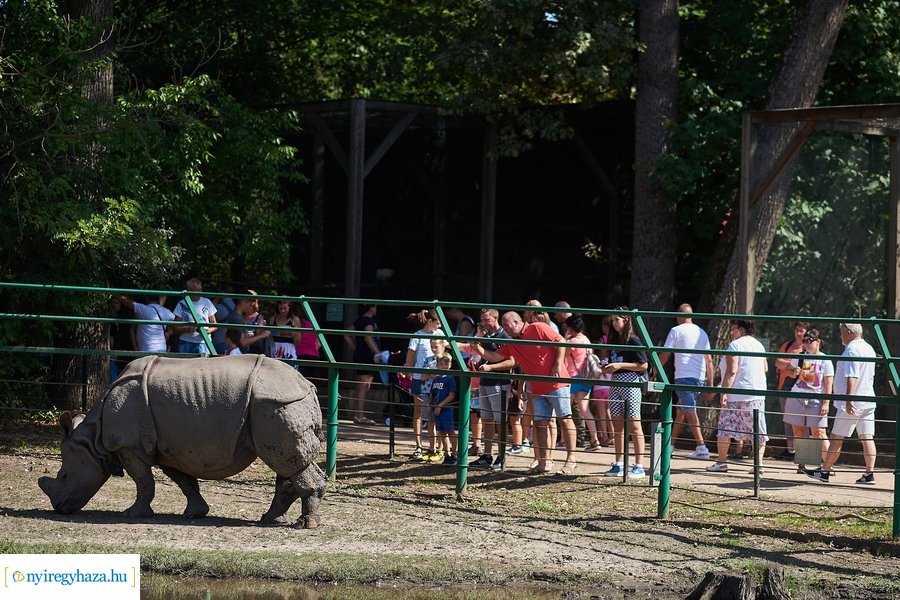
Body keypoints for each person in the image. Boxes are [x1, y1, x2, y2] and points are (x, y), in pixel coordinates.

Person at [477, 312, 575, 475]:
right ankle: (544, 462)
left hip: (557, 383)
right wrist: (477, 347)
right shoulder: (512, 342)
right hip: (537, 388)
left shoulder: (538, 327)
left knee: (565, 419)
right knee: (540, 424)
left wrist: (557, 364)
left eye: (507, 325)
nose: (505, 329)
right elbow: (494, 356)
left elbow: (560, 341)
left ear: (516, 322)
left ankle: (571, 460)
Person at [805, 323, 878, 484]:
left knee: (836, 437)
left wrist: (849, 400)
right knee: (867, 437)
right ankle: (869, 473)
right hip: (867, 400)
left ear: (849, 332)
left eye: (842, 332)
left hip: (852, 403)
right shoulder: (868, 348)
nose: (841, 336)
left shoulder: (851, 350)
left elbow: (852, 377)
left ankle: (824, 471)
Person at [706, 319, 768, 474]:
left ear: (741, 329)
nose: (731, 332)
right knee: (758, 430)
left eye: (733, 328)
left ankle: (721, 462)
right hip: (757, 394)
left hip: (736, 394)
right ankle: (758, 464)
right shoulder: (759, 345)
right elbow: (765, 368)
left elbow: (731, 371)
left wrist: (724, 392)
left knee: (725, 429)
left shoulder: (735, 345)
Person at [657, 304, 714, 459]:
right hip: (699, 378)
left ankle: (702, 447)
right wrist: (710, 385)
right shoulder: (702, 333)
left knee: (689, 410)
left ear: (680, 316)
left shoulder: (676, 330)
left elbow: (665, 354)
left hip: (683, 377)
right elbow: (709, 360)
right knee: (681, 412)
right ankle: (669, 446)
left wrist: (654, 371)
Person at [601, 307, 650, 479]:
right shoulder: (614, 340)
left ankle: (639, 466)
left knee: (635, 425)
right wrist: (606, 366)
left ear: (626, 320)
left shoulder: (633, 340)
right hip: (615, 383)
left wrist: (620, 365)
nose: (614, 323)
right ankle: (619, 463)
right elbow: (612, 362)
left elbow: (643, 365)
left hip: (630, 384)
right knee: (618, 427)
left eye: (617, 320)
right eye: (612, 320)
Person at [783, 328, 833, 472]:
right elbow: (788, 371)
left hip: (816, 399)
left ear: (818, 342)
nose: (806, 344)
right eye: (804, 341)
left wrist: (826, 403)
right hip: (797, 396)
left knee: (819, 432)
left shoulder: (825, 360)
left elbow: (828, 384)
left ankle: (828, 466)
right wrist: (794, 372)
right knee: (799, 430)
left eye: (809, 341)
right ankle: (803, 463)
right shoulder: (800, 357)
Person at [469, 308, 511, 471]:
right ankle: (487, 455)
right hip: (484, 383)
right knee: (486, 419)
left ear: (495, 318)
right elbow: (480, 355)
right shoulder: (486, 336)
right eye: (482, 320)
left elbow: (511, 361)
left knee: (500, 421)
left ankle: (502, 455)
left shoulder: (504, 337)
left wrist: (491, 367)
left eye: (487, 320)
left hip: (499, 383)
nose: (484, 323)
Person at [404, 309, 445, 460]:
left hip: (436, 379)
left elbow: (449, 348)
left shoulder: (439, 334)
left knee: (436, 413)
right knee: (419, 412)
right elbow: (410, 359)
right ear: (430, 321)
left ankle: (438, 447)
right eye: (438, 322)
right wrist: (409, 373)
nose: (439, 326)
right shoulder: (417, 336)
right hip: (420, 379)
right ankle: (419, 446)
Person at [773, 322, 809, 461]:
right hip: (785, 386)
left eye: (802, 331)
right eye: (797, 330)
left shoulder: (807, 348)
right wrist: (792, 365)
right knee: (788, 419)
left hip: (802, 388)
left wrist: (787, 365)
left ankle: (804, 452)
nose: (799, 333)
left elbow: (806, 368)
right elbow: (778, 363)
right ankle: (790, 449)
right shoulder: (787, 346)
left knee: (803, 420)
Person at [565, 314, 602, 451]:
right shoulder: (586, 340)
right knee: (585, 410)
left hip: (573, 377)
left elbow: (562, 354)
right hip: (586, 378)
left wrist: (565, 339)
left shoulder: (573, 342)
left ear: (570, 327)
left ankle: (565, 440)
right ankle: (594, 440)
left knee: (565, 411)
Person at [345, 304, 381, 425]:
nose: (376, 310)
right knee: (364, 385)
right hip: (368, 356)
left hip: (360, 354)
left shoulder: (359, 320)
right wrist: (378, 353)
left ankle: (358, 414)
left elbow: (346, 333)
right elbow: (368, 338)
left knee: (360, 385)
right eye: (375, 307)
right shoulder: (368, 321)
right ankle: (360, 415)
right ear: (371, 308)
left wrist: (355, 347)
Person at [172, 278, 218, 355]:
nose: (199, 292)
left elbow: (215, 325)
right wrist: (188, 329)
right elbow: (175, 327)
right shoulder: (181, 304)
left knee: (204, 363)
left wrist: (208, 331)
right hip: (186, 341)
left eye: (200, 289)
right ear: (189, 290)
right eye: (196, 290)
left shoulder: (207, 302)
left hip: (204, 342)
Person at [430, 354, 460, 466]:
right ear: (437, 365)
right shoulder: (435, 379)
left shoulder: (450, 378)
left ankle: (454, 454)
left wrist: (440, 406)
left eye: (446, 364)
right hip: (436, 410)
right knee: (441, 432)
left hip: (446, 409)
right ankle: (447, 454)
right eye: (441, 364)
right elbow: (432, 393)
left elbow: (451, 395)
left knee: (450, 431)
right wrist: (430, 404)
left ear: (450, 365)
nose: (444, 366)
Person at [269, 300, 301, 367]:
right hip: (274, 348)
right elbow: (269, 336)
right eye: (280, 308)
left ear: (290, 308)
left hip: (289, 349)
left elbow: (298, 341)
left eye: (285, 308)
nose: (282, 311)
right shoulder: (273, 319)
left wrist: (291, 333)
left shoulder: (294, 319)